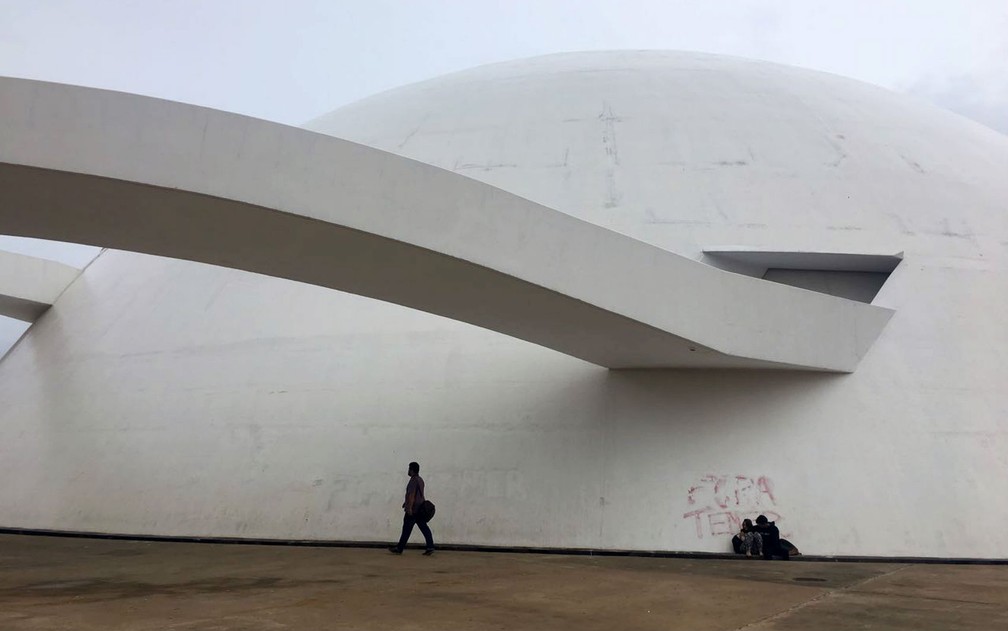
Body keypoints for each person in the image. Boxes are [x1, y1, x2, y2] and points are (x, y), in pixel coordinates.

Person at [389, 461, 434, 555]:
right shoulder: (420, 480)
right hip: (421, 508)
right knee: (424, 528)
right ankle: (430, 546)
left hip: (413, 509)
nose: (408, 471)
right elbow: (419, 494)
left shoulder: (413, 480)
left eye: (409, 469)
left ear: (412, 470)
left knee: (406, 529)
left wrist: (409, 507)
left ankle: (399, 548)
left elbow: (412, 495)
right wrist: (406, 502)